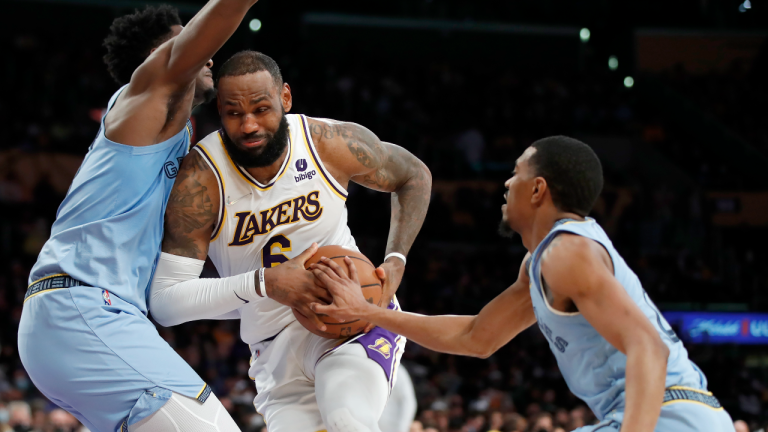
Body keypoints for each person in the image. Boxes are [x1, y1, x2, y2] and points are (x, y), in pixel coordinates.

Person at [310, 136, 737, 432]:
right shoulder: (543, 261)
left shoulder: (566, 254)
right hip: (673, 413)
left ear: (538, 190)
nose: (506, 183)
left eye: (515, 173)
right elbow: (476, 337)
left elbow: (650, 348)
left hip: (668, 416)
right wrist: (369, 314)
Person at [148, 50, 432, 432]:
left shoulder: (327, 143)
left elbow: (413, 175)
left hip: (349, 314)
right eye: (234, 113)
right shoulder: (201, 180)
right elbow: (165, 302)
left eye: (261, 109)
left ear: (285, 97)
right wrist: (264, 283)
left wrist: (395, 259)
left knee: (347, 419)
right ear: (219, 109)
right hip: (272, 348)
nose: (248, 125)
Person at [18, 3, 266, 431]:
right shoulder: (144, 96)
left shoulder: (174, 136)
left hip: (90, 316)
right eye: (186, 38)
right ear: (157, 56)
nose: (209, 55)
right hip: (82, 308)